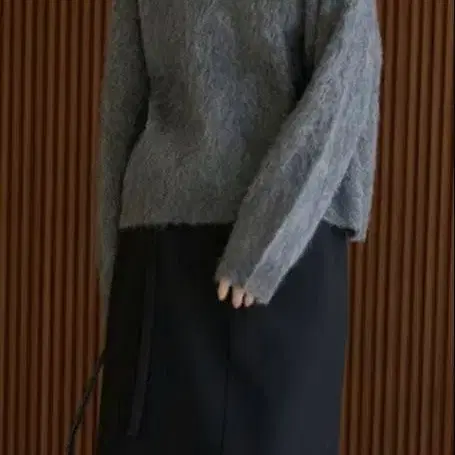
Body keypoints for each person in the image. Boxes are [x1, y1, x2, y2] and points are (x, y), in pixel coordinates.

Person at [88, 0, 382, 454]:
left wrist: (265, 241)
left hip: (278, 260)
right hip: (173, 261)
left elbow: (343, 81)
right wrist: (118, 273)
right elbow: (122, 102)